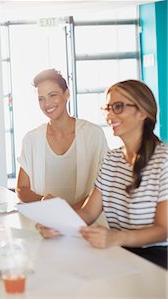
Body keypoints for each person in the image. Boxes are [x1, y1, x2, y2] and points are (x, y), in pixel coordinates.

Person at [37, 80, 167, 269]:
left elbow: (164, 230)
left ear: (143, 112)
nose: (110, 115)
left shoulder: (163, 160)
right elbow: (89, 212)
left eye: (118, 107)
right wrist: (58, 225)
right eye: (108, 108)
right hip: (119, 253)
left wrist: (117, 237)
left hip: (156, 259)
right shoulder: (112, 159)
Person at [17, 69, 108, 209]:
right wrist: (44, 201)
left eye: (52, 95)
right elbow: (22, 188)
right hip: (47, 222)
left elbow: (104, 187)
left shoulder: (93, 134)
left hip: (86, 222)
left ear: (67, 94)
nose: (47, 104)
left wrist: (70, 212)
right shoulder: (31, 139)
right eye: (41, 99)